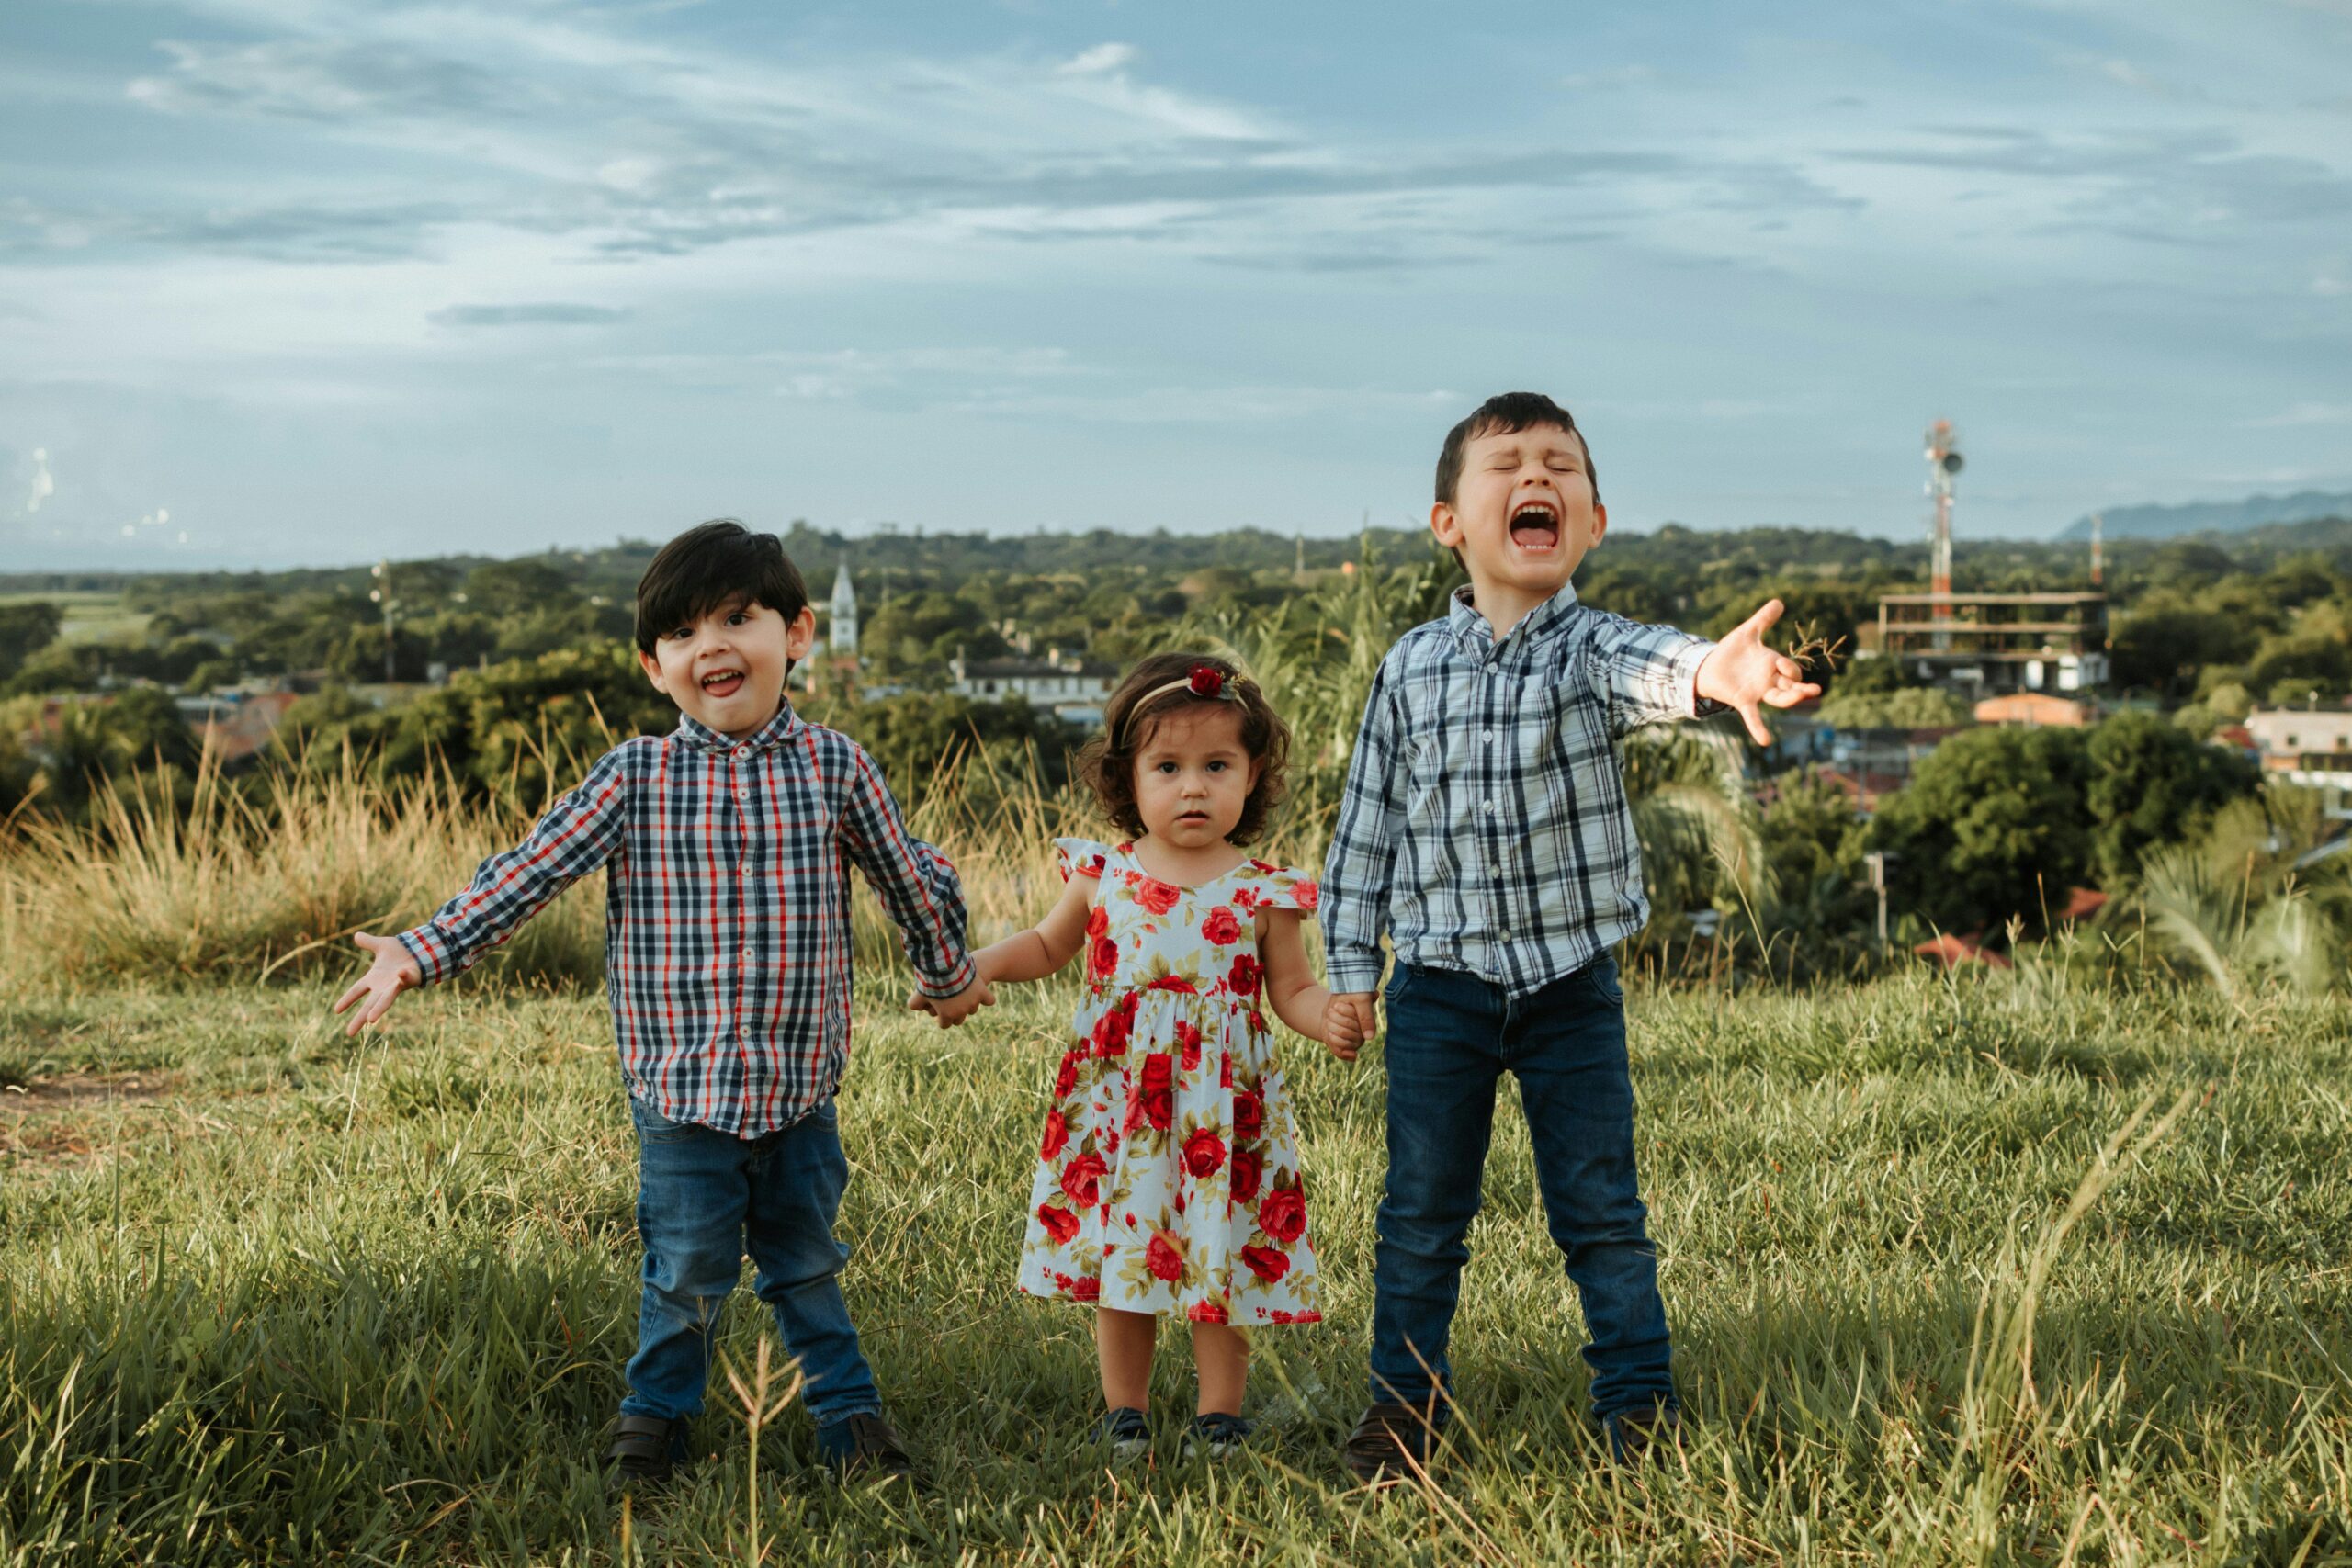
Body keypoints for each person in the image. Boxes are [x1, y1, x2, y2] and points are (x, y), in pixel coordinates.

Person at [331, 519, 994, 1488]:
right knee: (684, 1274)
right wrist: (419, 952)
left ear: (798, 632)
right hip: (678, 1092)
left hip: (800, 1085)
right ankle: (655, 1423)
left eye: (737, 617)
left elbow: (905, 878)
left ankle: (851, 1422)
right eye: (682, 634)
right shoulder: (634, 779)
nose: (711, 646)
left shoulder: (836, 768)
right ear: (654, 666)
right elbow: (527, 873)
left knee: (806, 1266)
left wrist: (945, 975)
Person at [1319, 392, 1819, 1480]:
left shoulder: (1589, 650)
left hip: (1567, 990)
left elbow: (1658, 665)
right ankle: (1401, 1415)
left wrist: (1718, 674)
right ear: (1449, 519)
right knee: (1418, 1216)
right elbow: (1364, 832)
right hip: (1439, 992)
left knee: (1601, 1215)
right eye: (1506, 464)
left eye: (1561, 466)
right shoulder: (1409, 668)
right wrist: (1350, 972)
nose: (1535, 476)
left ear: (1591, 521)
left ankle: (1637, 1415)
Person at [961, 652, 1348, 1461]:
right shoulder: (1105, 875)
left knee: (1222, 1253)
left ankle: (1219, 1413)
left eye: (1218, 765)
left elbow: (1292, 989)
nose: (1194, 787)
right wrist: (979, 966)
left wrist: (1330, 1017)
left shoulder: (1264, 889)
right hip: (1122, 1108)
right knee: (1125, 1257)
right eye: (1167, 767)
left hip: (1224, 1111)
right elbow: (1044, 943)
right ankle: (1124, 1409)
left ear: (1253, 776)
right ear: (1127, 778)